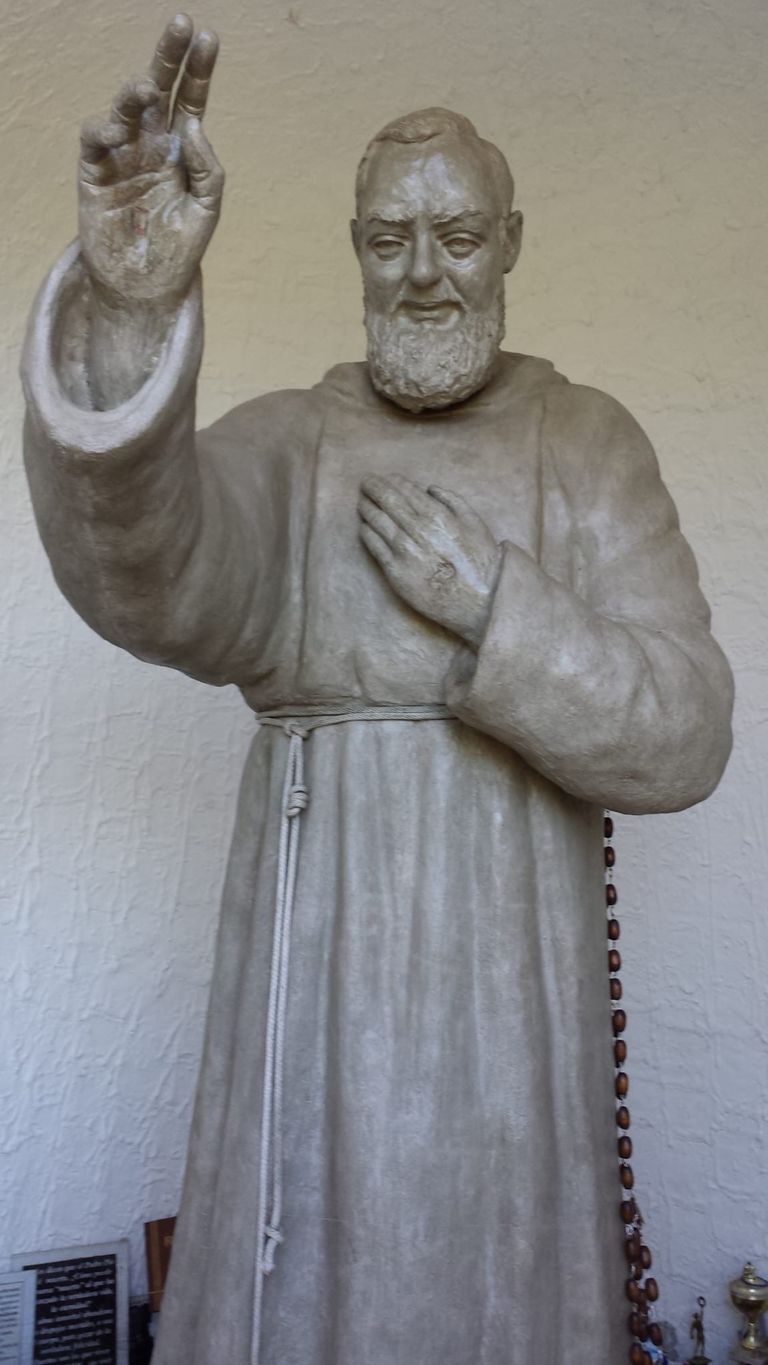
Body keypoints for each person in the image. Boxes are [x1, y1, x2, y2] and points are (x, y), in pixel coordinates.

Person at [21, 15, 734, 1365]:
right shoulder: (293, 446)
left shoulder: (586, 444)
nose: (423, 273)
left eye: (457, 236)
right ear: (355, 247)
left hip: (514, 1016)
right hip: (314, 993)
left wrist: (497, 609)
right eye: (390, 239)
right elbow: (144, 572)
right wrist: (130, 306)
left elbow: (687, 735)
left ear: (510, 243)